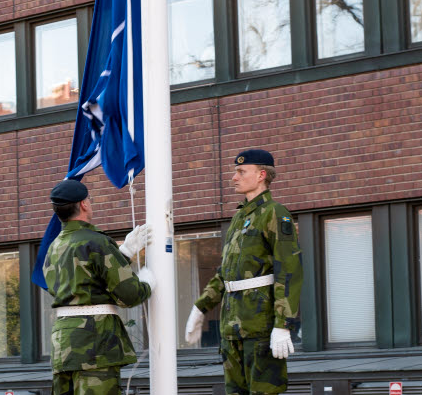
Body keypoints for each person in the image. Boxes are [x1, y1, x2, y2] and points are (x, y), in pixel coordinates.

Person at [183, 149, 303, 395]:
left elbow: (288, 270)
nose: (233, 178)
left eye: (240, 172)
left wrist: (283, 324)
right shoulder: (239, 217)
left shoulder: (275, 213)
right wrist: (201, 307)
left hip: (260, 325)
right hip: (232, 327)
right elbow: (225, 272)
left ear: (261, 175)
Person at [42, 179, 156, 395]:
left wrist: (123, 253)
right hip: (95, 343)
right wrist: (147, 284)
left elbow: (83, 285)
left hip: (63, 343)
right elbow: (129, 295)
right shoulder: (97, 242)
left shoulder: (54, 248)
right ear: (84, 204)